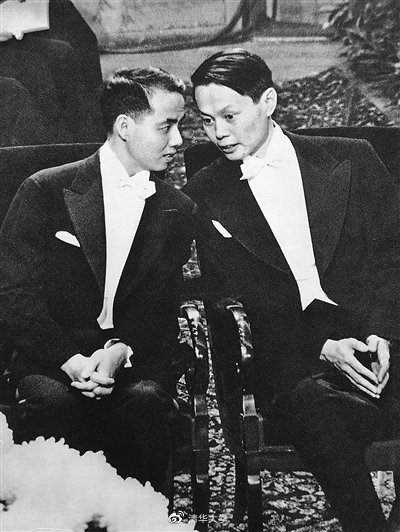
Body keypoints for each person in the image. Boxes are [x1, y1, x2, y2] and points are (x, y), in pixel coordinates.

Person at [184, 49, 400, 531]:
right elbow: (229, 298)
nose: (218, 132)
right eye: (206, 120)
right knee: (316, 412)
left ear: (268, 101)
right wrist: (321, 346)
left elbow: (393, 257)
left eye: (229, 116)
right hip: (291, 356)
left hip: (377, 337)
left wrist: (384, 332)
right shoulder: (205, 192)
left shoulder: (352, 159)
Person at [0, 67, 194, 493]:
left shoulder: (177, 209)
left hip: (132, 358)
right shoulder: (44, 190)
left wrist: (120, 351)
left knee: (145, 402)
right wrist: (71, 361)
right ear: (124, 127)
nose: (179, 140)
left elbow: (161, 309)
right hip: (51, 357)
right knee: (52, 406)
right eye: (166, 126)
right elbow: (14, 295)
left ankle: (140, 515)